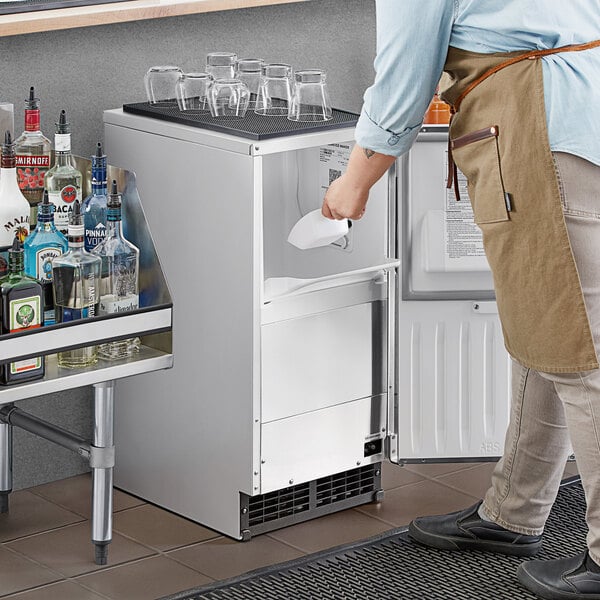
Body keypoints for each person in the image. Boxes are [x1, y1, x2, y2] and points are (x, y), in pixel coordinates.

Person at [321, 1, 600, 598]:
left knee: (582, 357)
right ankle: (512, 513)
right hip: (584, 109)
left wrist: (355, 181)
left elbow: (404, 71)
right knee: (551, 318)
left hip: (541, 125)